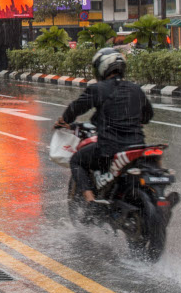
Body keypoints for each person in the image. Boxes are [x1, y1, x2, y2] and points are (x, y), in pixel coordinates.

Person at [55, 47, 153, 205]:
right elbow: (148, 115)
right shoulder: (135, 89)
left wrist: (63, 120)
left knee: (77, 160)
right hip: (138, 145)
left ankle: (90, 200)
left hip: (109, 147)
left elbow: (76, 108)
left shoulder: (98, 89)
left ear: (101, 68)